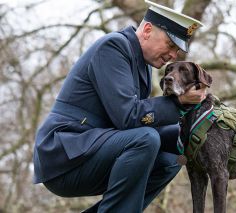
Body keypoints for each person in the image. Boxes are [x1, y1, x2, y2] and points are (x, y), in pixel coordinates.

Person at [32, 0, 206, 212]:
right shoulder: (113, 46)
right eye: (170, 45)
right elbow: (128, 118)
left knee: (172, 159)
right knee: (145, 139)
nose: (173, 55)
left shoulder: (143, 63)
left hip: (93, 149)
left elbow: (137, 123)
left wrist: (194, 129)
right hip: (65, 156)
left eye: (178, 51)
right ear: (148, 30)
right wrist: (178, 102)